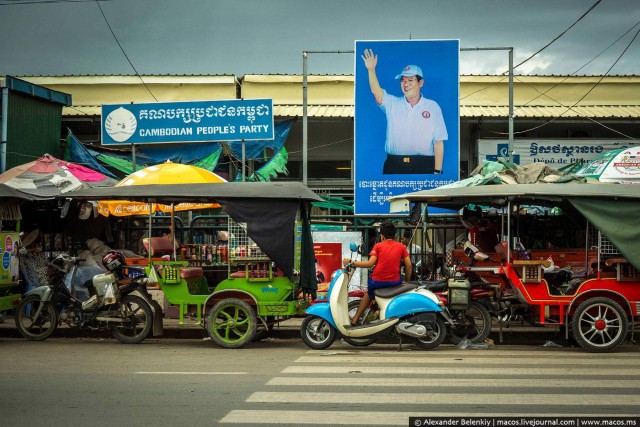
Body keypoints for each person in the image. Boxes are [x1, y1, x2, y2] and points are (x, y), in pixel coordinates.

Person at [361, 48, 448, 175]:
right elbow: (376, 92)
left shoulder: (432, 107)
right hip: (394, 165)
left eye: (410, 80)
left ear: (421, 83)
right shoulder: (393, 103)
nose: (406, 84)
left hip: (424, 165)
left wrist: (437, 171)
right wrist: (371, 70)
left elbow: (438, 141)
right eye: (403, 80)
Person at [344, 221, 412, 326]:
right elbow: (409, 265)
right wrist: (406, 281)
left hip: (377, 282)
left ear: (382, 236)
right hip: (394, 283)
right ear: (395, 235)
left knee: (369, 294)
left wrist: (351, 262)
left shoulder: (378, 246)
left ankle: (355, 319)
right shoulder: (401, 247)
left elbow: (370, 264)